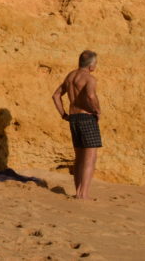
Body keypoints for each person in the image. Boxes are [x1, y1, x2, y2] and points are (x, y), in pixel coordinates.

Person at [51, 50, 102, 199]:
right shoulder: (89, 78)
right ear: (91, 65)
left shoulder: (70, 76)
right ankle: (83, 194)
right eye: (95, 63)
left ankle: (78, 192)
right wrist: (97, 110)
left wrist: (63, 114)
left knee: (79, 157)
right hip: (87, 118)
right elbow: (91, 96)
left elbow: (56, 96)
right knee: (90, 157)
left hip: (73, 118)